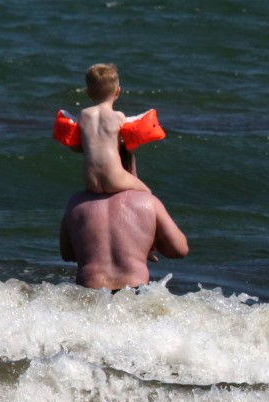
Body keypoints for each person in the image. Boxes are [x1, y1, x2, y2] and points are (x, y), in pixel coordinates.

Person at [59, 188, 188, 290]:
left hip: (89, 293)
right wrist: (145, 244)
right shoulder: (148, 201)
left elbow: (67, 254)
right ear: (130, 166)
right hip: (134, 292)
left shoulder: (76, 202)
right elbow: (179, 250)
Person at [73, 63, 152, 195]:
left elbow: (75, 147)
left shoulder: (83, 115)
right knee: (146, 192)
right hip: (114, 177)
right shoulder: (119, 117)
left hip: (91, 180)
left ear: (88, 92)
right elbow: (130, 148)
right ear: (117, 91)